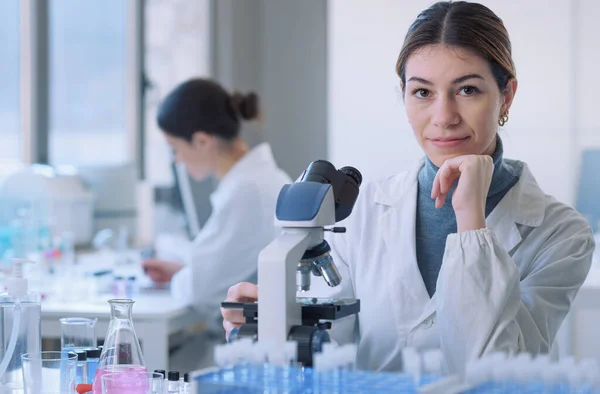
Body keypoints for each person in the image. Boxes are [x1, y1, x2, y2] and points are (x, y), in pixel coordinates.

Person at [221, 1, 595, 375]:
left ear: (506, 96)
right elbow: (328, 353)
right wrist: (272, 330)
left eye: (467, 90)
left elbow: (494, 372)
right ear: (403, 95)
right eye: (422, 92)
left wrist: (470, 221)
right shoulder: (363, 209)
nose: (444, 117)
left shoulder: (561, 234)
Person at [143, 78, 292, 369]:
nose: (176, 161)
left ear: (202, 140)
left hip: (251, 351)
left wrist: (182, 276)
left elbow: (198, 290)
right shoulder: (254, 181)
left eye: (175, 148)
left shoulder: (247, 190)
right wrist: (186, 270)